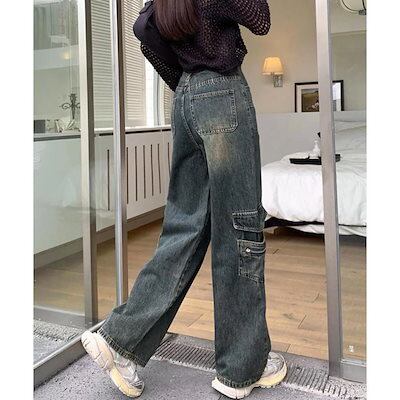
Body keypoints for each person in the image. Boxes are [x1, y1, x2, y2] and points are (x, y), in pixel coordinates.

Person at [81, 1, 287, 398]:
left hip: (185, 99)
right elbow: (260, 19)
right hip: (223, 93)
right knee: (240, 231)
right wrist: (211, 83)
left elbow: (145, 33)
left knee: (184, 228)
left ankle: (119, 339)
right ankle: (242, 368)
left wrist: (191, 82)